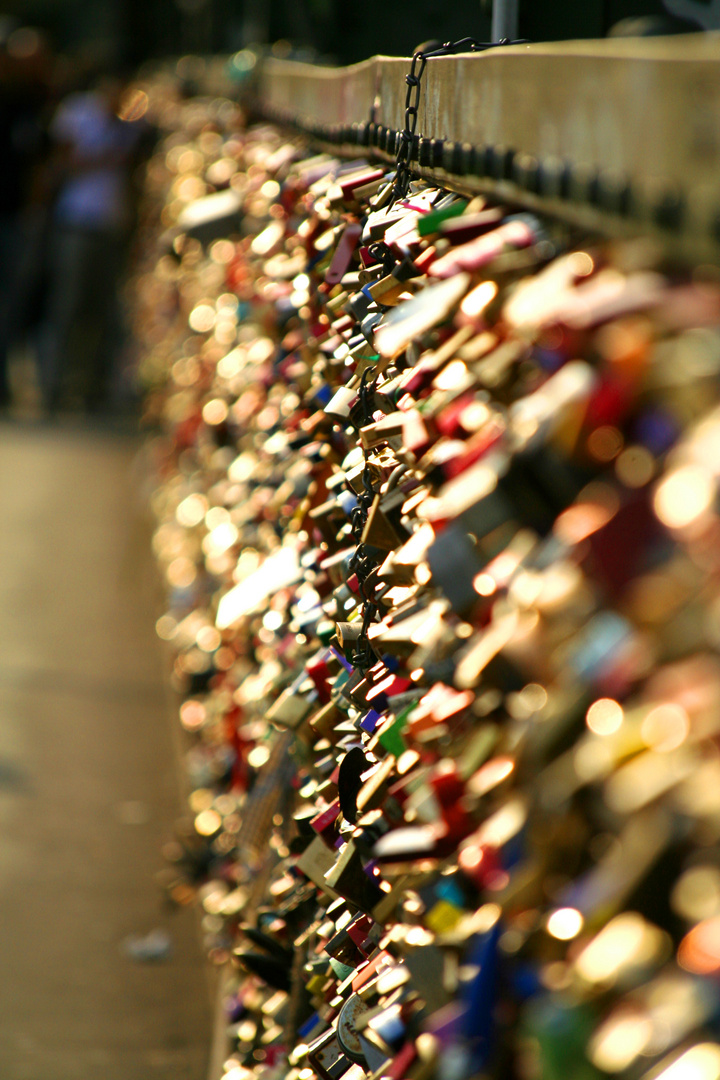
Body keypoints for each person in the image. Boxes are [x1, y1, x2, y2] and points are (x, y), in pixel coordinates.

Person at [36, 73, 143, 414]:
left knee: (103, 310)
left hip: (112, 228)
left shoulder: (133, 122)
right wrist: (106, 159)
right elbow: (61, 163)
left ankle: (93, 389)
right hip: (77, 224)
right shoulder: (78, 113)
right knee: (68, 306)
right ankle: (53, 387)